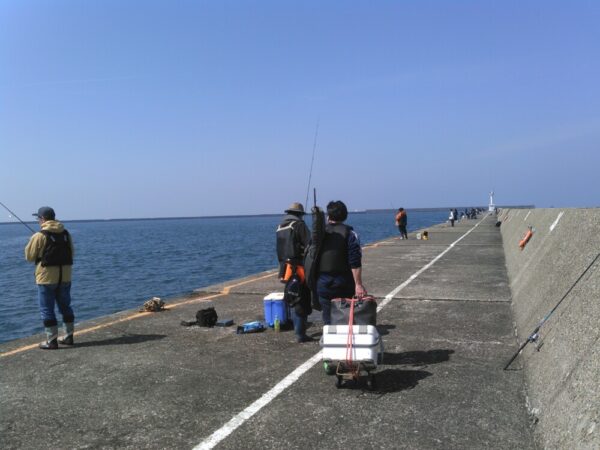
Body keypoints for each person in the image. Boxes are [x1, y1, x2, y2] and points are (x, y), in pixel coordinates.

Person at [25, 207, 75, 349]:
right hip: (65, 276)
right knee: (66, 306)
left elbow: (29, 257)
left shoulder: (39, 235)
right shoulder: (66, 233)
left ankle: (51, 341)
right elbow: (72, 253)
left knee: (47, 309)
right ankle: (68, 337)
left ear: (42, 219)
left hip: (46, 277)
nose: (38, 221)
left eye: (38, 218)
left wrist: (31, 242)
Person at [315, 200, 366, 325]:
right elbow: (355, 261)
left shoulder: (319, 234)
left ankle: (328, 333)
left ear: (328, 216)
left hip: (322, 282)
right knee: (345, 317)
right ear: (345, 216)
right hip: (344, 282)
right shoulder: (350, 234)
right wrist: (358, 284)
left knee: (327, 317)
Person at [276, 202, 312, 343]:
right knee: (302, 300)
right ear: (299, 214)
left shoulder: (280, 227)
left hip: (285, 269)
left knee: (292, 297)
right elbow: (310, 244)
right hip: (299, 269)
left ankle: (299, 330)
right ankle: (300, 334)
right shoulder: (299, 225)